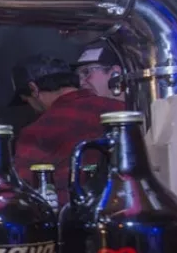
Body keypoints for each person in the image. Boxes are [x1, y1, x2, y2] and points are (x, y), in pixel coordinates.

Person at [9, 54, 125, 205]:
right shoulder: (122, 109)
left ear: (33, 89)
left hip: (72, 215)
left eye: (28, 101)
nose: (33, 109)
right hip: (124, 206)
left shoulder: (36, 132)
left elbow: (25, 192)